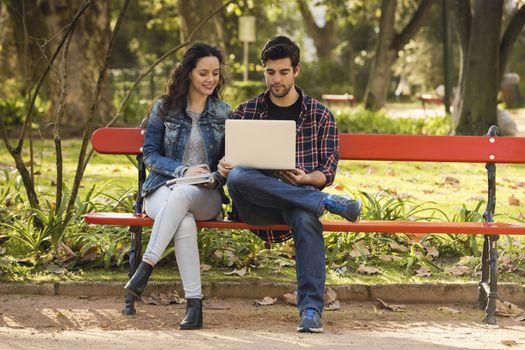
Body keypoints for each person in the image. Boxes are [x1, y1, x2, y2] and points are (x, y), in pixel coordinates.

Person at [218, 36, 362, 333]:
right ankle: (327, 204)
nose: (276, 79)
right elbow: (227, 166)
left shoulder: (321, 115)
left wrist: (308, 179)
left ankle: (310, 310)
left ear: (296, 70)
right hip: (256, 208)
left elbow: (327, 172)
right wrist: (222, 166)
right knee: (240, 176)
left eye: (283, 72)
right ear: (264, 71)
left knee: (306, 219)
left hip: (299, 202)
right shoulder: (245, 112)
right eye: (270, 72)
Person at [125, 43, 231, 330]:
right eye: (204, 73)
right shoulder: (165, 107)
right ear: (188, 73)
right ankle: (194, 307)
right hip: (162, 188)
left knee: (185, 195)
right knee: (183, 222)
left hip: (205, 193)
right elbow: (150, 155)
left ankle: (145, 268)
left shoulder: (224, 112)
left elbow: (229, 161)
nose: (211, 80)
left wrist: (219, 173)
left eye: (216, 74)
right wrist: (182, 169)